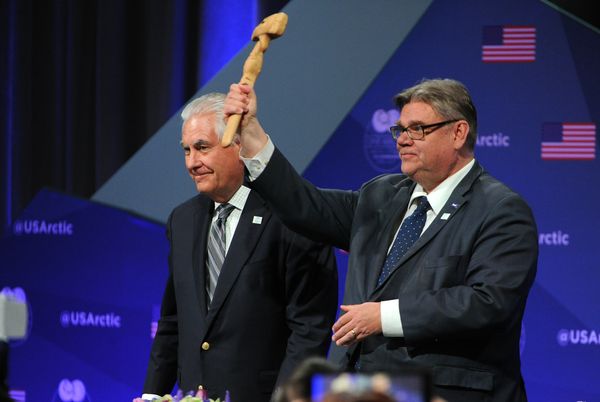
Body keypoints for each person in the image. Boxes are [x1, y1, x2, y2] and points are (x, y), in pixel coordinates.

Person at [224, 78, 538, 402]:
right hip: (356, 389)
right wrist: (251, 136)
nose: (402, 140)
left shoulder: (500, 210)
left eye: (417, 129)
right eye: (400, 130)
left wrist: (384, 316)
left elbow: (488, 302)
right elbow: (303, 205)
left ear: (458, 133)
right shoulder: (381, 195)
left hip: (441, 391)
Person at [142, 93, 338, 402]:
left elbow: (309, 330)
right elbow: (173, 322)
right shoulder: (182, 220)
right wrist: (153, 395)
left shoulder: (292, 218)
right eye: (187, 151)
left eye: (202, 148)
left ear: (237, 144)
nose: (192, 162)